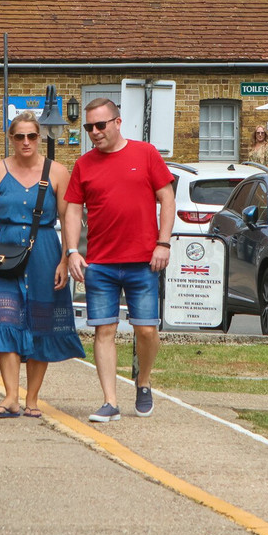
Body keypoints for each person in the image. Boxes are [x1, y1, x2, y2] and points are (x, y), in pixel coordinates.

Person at [64, 98, 175, 423]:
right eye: (89, 127)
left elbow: (166, 197)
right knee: (104, 331)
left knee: (146, 331)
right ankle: (110, 401)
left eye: (100, 125)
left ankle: (142, 381)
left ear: (117, 122)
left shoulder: (146, 153)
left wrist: (163, 243)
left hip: (144, 261)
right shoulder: (84, 165)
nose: (95, 132)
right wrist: (72, 250)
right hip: (100, 263)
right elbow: (72, 208)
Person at [0, 111, 84, 419]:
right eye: (19, 136)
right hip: (3, 253)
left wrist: (65, 258)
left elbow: (68, 217)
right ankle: (10, 397)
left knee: (41, 321)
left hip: (45, 251)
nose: (26, 142)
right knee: (5, 318)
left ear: (39, 138)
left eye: (32, 136)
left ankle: (32, 399)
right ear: (11, 138)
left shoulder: (58, 171)